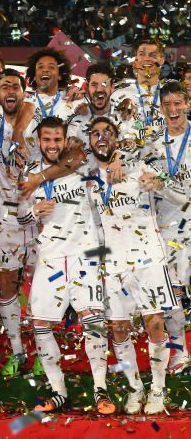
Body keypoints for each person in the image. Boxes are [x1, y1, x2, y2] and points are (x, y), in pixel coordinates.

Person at [17, 117, 115, 414]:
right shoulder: (29, 172)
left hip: (85, 254)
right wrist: (34, 211)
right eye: (46, 140)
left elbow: (105, 152)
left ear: (65, 139)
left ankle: (101, 390)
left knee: (93, 323)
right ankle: (59, 392)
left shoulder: (82, 164)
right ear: (38, 141)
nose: (51, 145)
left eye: (57, 139)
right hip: (49, 257)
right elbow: (18, 217)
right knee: (41, 325)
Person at [88, 117, 184, 414]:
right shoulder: (89, 180)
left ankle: (158, 388)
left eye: (108, 133)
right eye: (95, 134)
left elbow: (181, 197)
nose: (101, 139)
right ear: (90, 141)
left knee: (154, 322)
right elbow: (93, 227)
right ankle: (134, 387)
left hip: (148, 260)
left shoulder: (138, 168)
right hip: (114, 263)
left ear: (118, 139)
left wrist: (160, 184)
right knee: (118, 328)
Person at [0, 68, 35, 377]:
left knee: (44, 281)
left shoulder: (40, 118)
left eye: (15, 86)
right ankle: (17, 348)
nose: (10, 91)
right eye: (4, 87)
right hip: (7, 216)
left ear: (23, 90)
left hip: (42, 214)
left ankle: (45, 347)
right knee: (5, 281)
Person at [144, 81, 190, 374]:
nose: (173, 110)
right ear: (160, 108)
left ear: (187, 104)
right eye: (167, 104)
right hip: (168, 225)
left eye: (178, 103)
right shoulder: (152, 144)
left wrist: (164, 186)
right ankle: (180, 352)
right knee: (172, 292)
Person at [12, 48, 77, 162]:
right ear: (34, 75)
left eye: (51, 67)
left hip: (61, 173)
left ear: (60, 75)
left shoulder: (72, 104)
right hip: (29, 172)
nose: (45, 70)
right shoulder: (21, 104)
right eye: (40, 67)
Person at [110, 41, 166, 135]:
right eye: (142, 54)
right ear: (135, 60)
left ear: (161, 60)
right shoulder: (118, 96)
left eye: (153, 55)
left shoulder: (172, 96)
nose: (147, 59)